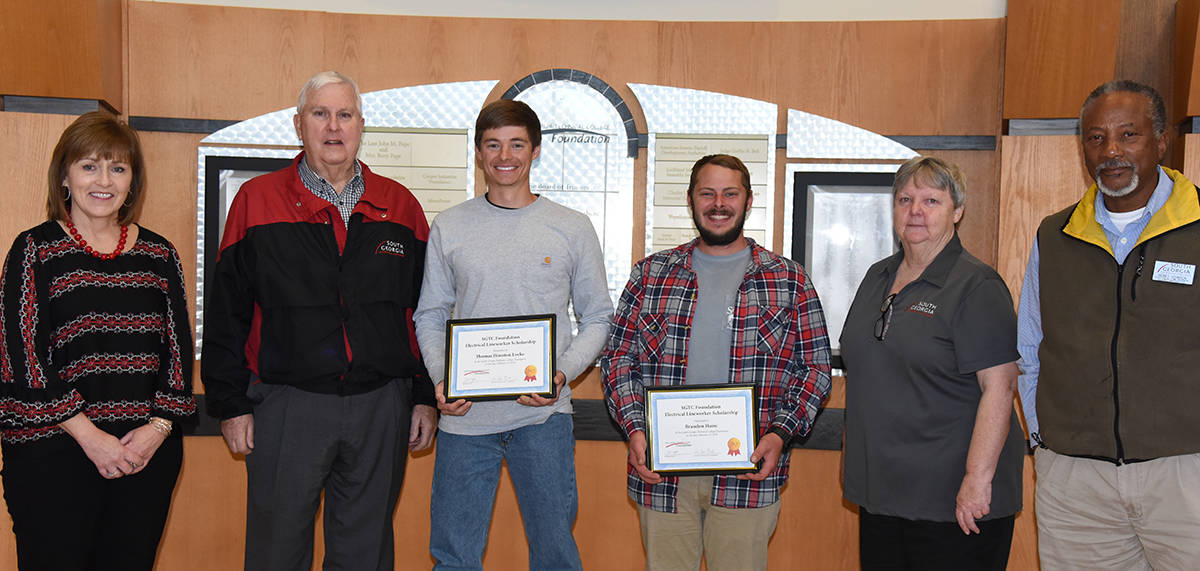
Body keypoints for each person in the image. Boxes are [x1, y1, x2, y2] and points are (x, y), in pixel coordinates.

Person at [201, 71, 437, 571]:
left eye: (345, 115)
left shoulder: (401, 206)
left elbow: (422, 313)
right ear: (298, 125)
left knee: (364, 552)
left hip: (380, 406)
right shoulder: (256, 202)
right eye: (320, 114)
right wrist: (229, 403)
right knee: (276, 550)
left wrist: (421, 396)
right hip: (287, 406)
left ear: (361, 126)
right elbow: (227, 312)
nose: (334, 127)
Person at [602, 154, 832, 571]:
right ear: (690, 200)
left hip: (748, 475)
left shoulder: (788, 279)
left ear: (748, 200)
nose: (718, 204)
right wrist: (634, 429)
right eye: (707, 193)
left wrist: (780, 434)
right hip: (662, 472)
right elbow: (619, 360)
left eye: (730, 193)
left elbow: (813, 369)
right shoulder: (651, 274)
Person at [413, 99, 613, 570]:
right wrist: (443, 379)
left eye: (517, 143)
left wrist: (560, 375)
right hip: (464, 423)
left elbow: (599, 317)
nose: (506, 155)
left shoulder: (572, 227)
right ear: (479, 153)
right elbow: (430, 313)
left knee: (555, 556)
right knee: (454, 557)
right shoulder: (450, 225)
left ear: (536, 150)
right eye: (493, 144)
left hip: (542, 421)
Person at [0, 111, 196, 570]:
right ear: (64, 176)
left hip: (144, 455)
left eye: (118, 167)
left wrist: (156, 430)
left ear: (132, 180)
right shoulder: (35, 250)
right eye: (89, 166)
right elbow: (21, 359)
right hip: (53, 454)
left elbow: (178, 356)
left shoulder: (159, 254)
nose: (103, 179)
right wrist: (92, 438)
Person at [1017, 80, 1200, 569]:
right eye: (1096, 138)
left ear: (1161, 142)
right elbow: (1030, 348)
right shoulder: (1054, 236)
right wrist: (1044, 440)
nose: (1111, 150)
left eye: (1128, 135)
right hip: (1076, 485)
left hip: (1186, 476)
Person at [839, 156, 1023, 570]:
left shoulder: (977, 285)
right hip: (883, 494)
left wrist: (977, 482)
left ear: (957, 211)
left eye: (931, 200)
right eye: (905, 199)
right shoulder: (877, 277)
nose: (915, 210)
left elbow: (1000, 388)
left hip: (952, 501)